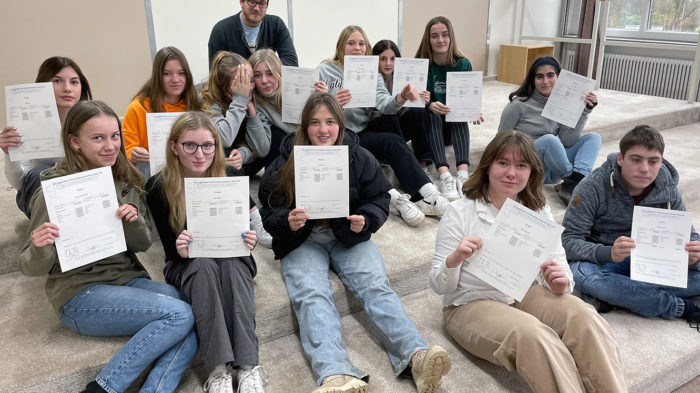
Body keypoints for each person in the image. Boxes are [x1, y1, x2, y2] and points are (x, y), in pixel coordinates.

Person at [259, 92, 451, 393]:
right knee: (311, 294)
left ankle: (416, 355)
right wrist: (287, 221)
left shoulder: (359, 156)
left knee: (376, 286)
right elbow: (268, 209)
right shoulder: (285, 161)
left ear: (341, 124)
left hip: (348, 236)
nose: (323, 130)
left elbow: (378, 197)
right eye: (315, 122)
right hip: (302, 241)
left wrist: (366, 218)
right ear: (304, 126)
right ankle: (334, 373)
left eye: (330, 122)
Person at [19, 100, 197, 393]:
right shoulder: (53, 191)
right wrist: (40, 245)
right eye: (98, 138)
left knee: (194, 308)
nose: (110, 146)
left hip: (128, 280)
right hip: (79, 292)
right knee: (180, 315)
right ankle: (104, 387)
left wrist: (132, 221)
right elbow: (28, 266)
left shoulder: (126, 180)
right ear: (75, 142)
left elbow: (141, 244)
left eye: (115, 136)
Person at [429, 130, 626, 393]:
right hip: (469, 302)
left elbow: (558, 260)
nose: (511, 172)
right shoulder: (460, 212)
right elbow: (440, 285)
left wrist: (561, 283)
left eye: (521, 165)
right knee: (535, 336)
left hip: (520, 291)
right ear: (487, 167)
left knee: (585, 317)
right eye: (503, 163)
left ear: (532, 171)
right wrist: (455, 259)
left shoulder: (537, 208)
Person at [146, 111, 265, 393]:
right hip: (186, 263)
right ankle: (217, 370)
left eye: (208, 146)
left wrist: (250, 239)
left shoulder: (231, 175)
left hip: (232, 257)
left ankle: (248, 367)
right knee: (203, 267)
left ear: (216, 146)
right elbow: (170, 250)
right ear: (174, 146)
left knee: (233, 266)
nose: (200, 154)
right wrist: (181, 248)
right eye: (190, 145)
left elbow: (247, 230)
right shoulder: (157, 186)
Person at [562, 125, 700, 325]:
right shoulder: (592, 187)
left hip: (656, 264)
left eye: (653, 162)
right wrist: (608, 252)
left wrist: (694, 256)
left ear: (661, 161)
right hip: (607, 264)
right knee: (583, 275)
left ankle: (617, 297)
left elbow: (691, 236)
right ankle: (679, 306)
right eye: (636, 160)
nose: (644, 169)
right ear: (620, 158)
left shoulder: (668, 190)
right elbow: (568, 241)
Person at [318, 25, 450, 227]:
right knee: (359, 156)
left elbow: (385, 105)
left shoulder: (372, 72)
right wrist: (331, 102)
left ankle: (430, 194)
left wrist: (401, 97)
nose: (357, 48)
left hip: (361, 131)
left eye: (361, 43)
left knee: (394, 141)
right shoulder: (325, 69)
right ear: (341, 46)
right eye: (351, 43)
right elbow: (311, 110)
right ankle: (395, 199)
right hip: (336, 135)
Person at [498, 56, 601, 205]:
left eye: (550, 75)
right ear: (533, 79)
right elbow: (501, 141)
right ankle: (574, 181)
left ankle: (574, 182)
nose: (545, 81)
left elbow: (568, 140)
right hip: (528, 165)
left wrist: (585, 111)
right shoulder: (518, 105)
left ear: (559, 77)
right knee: (549, 140)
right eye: (540, 76)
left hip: (552, 169)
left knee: (593, 138)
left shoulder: (562, 104)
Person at [1, 56, 92, 218]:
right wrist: (9, 154)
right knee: (38, 173)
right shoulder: (25, 125)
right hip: (41, 195)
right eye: (57, 81)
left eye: (74, 82)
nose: (67, 88)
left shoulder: (92, 121)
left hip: (83, 193)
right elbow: (21, 183)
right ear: (42, 85)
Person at [201, 50, 274, 248]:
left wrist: (251, 112)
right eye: (241, 81)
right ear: (225, 87)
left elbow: (262, 148)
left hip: (244, 161)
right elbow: (223, 138)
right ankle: (254, 216)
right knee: (219, 151)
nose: (251, 86)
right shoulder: (209, 102)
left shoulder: (254, 97)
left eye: (250, 79)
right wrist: (240, 102)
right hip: (217, 166)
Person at [415, 16, 484, 202]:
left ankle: (462, 173)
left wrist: (473, 109)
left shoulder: (463, 63)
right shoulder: (422, 63)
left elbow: (467, 98)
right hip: (431, 129)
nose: (440, 40)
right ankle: (445, 175)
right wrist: (430, 104)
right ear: (428, 39)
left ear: (451, 37)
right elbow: (414, 102)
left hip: (455, 127)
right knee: (433, 112)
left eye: (445, 35)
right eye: (434, 36)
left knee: (456, 112)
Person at [123, 46, 200, 179]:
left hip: (190, 174)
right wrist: (133, 154)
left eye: (181, 73)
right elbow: (126, 153)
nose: (175, 79)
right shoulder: (137, 107)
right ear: (157, 76)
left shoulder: (195, 104)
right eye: (167, 74)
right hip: (152, 176)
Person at [248, 48, 327, 174]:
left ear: (279, 73)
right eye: (257, 75)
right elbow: (261, 148)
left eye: (270, 73)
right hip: (280, 155)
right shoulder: (257, 103)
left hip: (308, 147)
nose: (264, 81)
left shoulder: (298, 88)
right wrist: (252, 112)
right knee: (276, 135)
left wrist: (322, 101)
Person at [370, 39, 433, 184]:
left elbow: (405, 109)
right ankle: (406, 164)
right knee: (388, 118)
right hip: (380, 126)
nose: (388, 63)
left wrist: (421, 98)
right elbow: (380, 110)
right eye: (383, 59)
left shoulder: (402, 75)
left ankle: (422, 166)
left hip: (397, 123)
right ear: (375, 60)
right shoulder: (372, 77)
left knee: (420, 113)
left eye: (392, 59)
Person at [208, 0, 298, 68]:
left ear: (267, 5)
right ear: (241, 2)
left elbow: (291, 62)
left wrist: (261, 71)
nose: (257, 8)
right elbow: (216, 72)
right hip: (234, 90)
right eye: (252, 2)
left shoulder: (276, 24)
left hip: (266, 89)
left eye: (262, 3)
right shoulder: (221, 30)